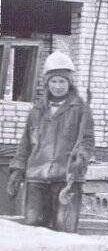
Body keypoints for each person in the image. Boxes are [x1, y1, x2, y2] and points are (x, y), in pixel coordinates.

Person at [7, 51, 94, 233]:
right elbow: (25, 144)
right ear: (47, 83)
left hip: (66, 179)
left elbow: (87, 141)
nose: (58, 86)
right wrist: (17, 170)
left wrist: (82, 159)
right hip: (36, 179)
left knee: (65, 232)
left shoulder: (80, 110)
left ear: (69, 83)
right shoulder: (37, 111)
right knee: (33, 231)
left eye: (62, 81)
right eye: (53, 81)